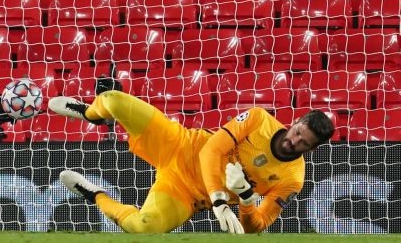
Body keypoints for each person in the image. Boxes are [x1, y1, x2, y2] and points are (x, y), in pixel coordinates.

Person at [51, 90, 335, 234]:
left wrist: (247, 198)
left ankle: (93, 194)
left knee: (144, 227)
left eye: (304, 143)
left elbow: (256, 225)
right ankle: (91, 114)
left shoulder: (291, 179)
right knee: (112, 100)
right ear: (295, 122)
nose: (293, 142)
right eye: (298, 132)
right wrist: (221, 200)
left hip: (187, 193)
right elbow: (211, 150)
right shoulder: (259, 119)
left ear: (313, 149)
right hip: (179, 143)